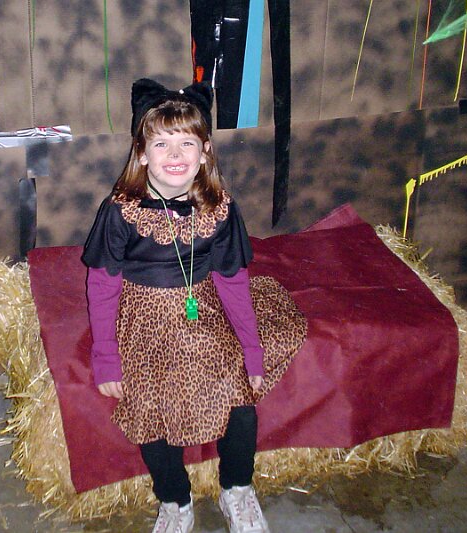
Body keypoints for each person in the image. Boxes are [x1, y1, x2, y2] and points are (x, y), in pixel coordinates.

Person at [81, 78, 306, 533]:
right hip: (143, 318)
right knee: (149, 406)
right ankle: (174, 501)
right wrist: (106, 356)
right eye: (161, 143)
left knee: (240, 398)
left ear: (205, 152)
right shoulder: (121, 210)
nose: (175, 154)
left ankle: (237, 489)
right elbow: (102, 286)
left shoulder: (219, 207)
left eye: (186, 142)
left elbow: (232, 281)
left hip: (203, 310)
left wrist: (252, 349)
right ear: (142, 154)